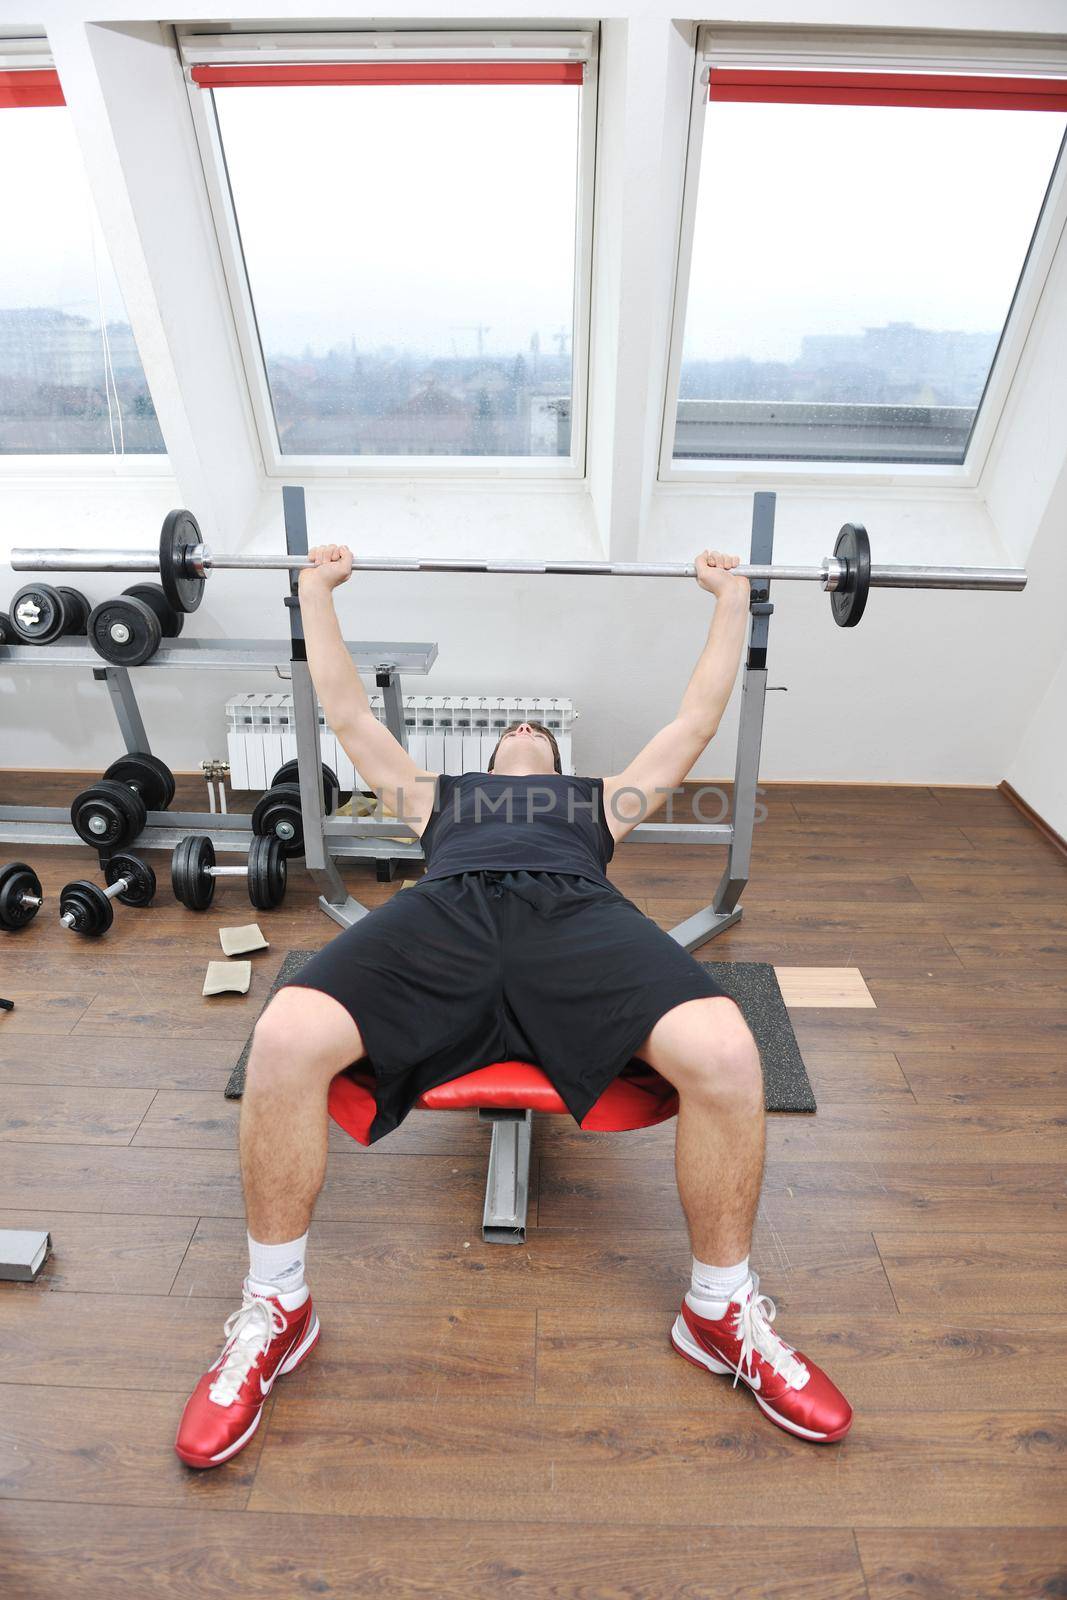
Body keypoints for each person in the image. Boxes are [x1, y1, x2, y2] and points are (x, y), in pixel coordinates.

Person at [175, 544, 852, 1469]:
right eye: (513, 731)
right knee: (286, 1030)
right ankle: (277, 1307)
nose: (527, 727)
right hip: (443, 914)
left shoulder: (596, 803)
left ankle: (718, 1311)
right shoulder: (438, 798)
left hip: (576, 917)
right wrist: (311, 592)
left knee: (730, 1050)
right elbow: (344, 710)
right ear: (488, 758)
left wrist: (730, 598)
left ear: (558, 763)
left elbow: (695, 718)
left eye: (541, 730)